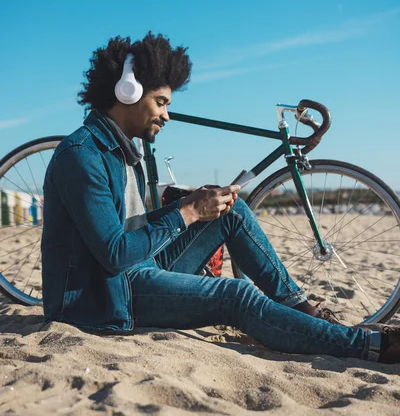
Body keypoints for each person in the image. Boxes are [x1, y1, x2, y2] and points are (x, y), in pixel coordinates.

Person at [41, 32, 400, 364]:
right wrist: (186, 213)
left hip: (135, 271)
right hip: (103, 299)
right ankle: (366, 347)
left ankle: (300, 309)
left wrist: (193, 207)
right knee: (234, 296)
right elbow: (115, 254)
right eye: (161, 102)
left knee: (232, 211)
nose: (166, 114)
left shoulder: (120, 148)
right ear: (127, 92)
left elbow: (128, 231)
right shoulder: (82, 155)